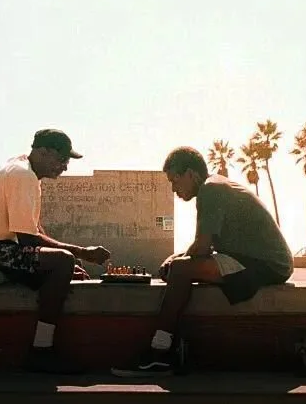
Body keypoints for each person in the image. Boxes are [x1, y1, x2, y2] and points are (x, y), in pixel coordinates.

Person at [110, 146, 293, 376]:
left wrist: (177, 262)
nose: (174, 189)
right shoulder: (214, 186)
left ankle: (159, 353)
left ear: (191, 174)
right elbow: (203, 246)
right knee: (180, 267)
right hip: (258, 260)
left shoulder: (211, 190)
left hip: (265, 264)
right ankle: (164, 349)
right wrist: (178, 257)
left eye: (175, 180)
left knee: (181, 270)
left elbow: (202, 247)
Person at [0, 128, 111, 373]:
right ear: (42, 151)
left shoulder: (23, 171)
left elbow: (33, 228)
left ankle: (43, 346)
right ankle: (41, 350)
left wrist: (60, 261)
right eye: (61, 159)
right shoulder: (22, 175)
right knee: (62, 262)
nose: (65, 166)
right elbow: (27, 239)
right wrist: (81, 253)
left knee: (60, 265)